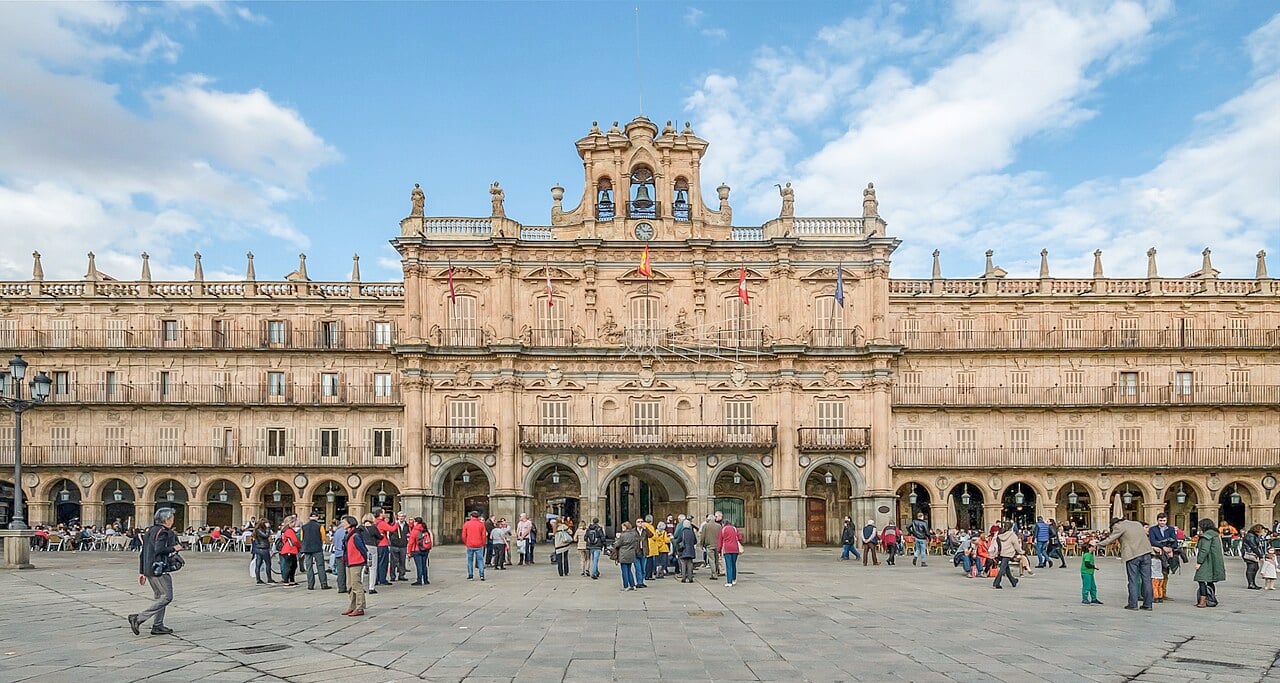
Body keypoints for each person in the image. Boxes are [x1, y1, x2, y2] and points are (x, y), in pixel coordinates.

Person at [128, 508, 182, 636]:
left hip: (149, 568)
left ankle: (158, 625)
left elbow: (144, 552)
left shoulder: (150, 530)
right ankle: (138, 618)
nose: (173, 520)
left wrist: (142, 571)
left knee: (159, 597)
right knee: (167, 597)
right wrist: (175, 547)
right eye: (172, 518)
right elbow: (159, 549)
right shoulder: (164, 532)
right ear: (167, 520)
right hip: (159, 569)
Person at [1095, 517, 1153, 610]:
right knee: (1147, 580)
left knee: (1133, 580)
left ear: (1115, 524)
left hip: (1133, 555)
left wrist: (1097, 544)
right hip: (1146, 553)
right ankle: (1148, 604)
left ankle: (1133, 604)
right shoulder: (1137, 523)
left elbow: (1111, 539)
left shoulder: (1119, 527)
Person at [1194, 517, 1225, 608]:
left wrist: (1199, 562)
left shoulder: (1206, 536)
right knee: (1210, 581)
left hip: (1207, 561)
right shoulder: (1215, 535)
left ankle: (1202, 601)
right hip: (1214, 561)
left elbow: (1204, 550)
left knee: (1201, 580)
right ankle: (1211, 599)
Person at [340, 516, 368, 617]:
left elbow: (363, 549)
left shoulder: (355, 535)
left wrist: (366, 560)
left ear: (350, 523)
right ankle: (352, 606)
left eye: (344, 522)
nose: (342, 524)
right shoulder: (348, 534)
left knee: (356, 584)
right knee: (350, 585)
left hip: (356, 561)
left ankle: (360, 607)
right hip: (349, 561)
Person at [299, 513, 331, 591]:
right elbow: (323, 537)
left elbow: (301, 538)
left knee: (309, 567)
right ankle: (323, 584)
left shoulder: (304, 526)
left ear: (309, 517)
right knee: (320, 566)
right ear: (317, 517)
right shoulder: (320, 526)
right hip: (317, 548)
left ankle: (310, 585)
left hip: (306, 549)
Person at [991, 522, 1021, 589]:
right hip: (1008, 553)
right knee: (1002, 568)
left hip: (1001, 552)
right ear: (1011, 527)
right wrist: (1021, 552)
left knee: (1006, 568)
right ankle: (996, 583)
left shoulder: (1000, 534)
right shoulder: (1012, 535)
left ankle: (1013, 581)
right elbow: (1016, 545)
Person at [461, 511, 487, 581]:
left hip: (470, 545)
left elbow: (463, 535)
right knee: (480, 560)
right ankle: (482, 575)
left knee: (470, 560)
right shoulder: (481, 524)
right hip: (479, 545)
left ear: (471, 516)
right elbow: (484, 536)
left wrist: (466, 542)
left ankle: (470, 575)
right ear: (478, 517)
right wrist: (483, 543)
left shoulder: (467, 524)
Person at [719, 517, 744, 587]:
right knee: (733, 564)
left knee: (728, 565)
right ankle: (734, 579)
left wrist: (719, 550)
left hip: (727, 549)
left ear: (723, 524)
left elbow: (720, 541)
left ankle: (729, 581)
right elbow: (740, 538)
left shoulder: (723, 530)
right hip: (735, 549)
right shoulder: (734, 529)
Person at [616, 521, 641, 591]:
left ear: (625, 527)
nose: (622, 528)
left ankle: (626, 586)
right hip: (631, 554)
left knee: (624, 571)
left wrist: (617, 538)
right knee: (629, 570)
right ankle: (633, 585)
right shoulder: (633, 534)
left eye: (623, 527)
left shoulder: (623, 535)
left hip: (624, 554)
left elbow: (617, 544)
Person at [1242, 524, 1267, 590]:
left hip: (1251, 553)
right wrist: (1260, 555)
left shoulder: (1253, 535)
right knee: (1251, 567)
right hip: (1249, 553)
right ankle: (1251, 584)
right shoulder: (1251, 536)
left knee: (1255, 567)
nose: (1262, 531)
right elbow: (1254, 546)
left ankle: (1253, 583)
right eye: (1262, 529)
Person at [278, 515, 300, 587]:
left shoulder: (285, 530)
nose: (295, 523)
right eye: (294, 522)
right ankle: (286, 581)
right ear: (290, 523)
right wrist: (300, 546)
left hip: (288, 550)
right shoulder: (289, 531)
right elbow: (295, 541)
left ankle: (291, 580)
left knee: (293, 565)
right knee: (290, 566)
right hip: (289, 550)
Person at [698, 514, 723, 578]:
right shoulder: (719, 526)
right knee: (716, 559)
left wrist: (701, 544)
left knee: (711, 559)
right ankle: (717, 571)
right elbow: (721, 536)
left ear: (708, 519)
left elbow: (702, 536)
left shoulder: (705, 526)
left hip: (709, 545)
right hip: (717, 545)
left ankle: (714, 573)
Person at [251, 519, 275, 585]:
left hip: (259, 548)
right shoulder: (259, 530)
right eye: (266, 523)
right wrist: (268, 528)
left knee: (259, 563)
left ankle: (259, 579)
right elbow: (265, 536)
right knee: (267, 563)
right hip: (263, 548)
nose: (268, 524)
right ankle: (268, 579)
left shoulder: (257, 530)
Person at [408, 517, 432, 585]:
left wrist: (409, 552)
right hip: (425, 550)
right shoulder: (425, 529)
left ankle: (419, 580)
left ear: (416, 522)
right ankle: (426, 580)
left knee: (419, 566)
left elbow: (410, 543)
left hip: (417, 550)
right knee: (424, 565)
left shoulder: (415, 530)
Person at [388, 512, 410, 582]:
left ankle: (401, 575)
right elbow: (390, 534)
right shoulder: (394, 524)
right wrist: (393, 540)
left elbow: (408, 534)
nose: (401, 518)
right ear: (397, 517)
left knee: (402, 561)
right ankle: (392, 576)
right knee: (393, 562)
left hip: (403, 546)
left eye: (403, 516)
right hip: (394, 545)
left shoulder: (406, 525)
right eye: (400, 516)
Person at [374, 511, 394, 585]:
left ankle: (376, 579)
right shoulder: (382, 523)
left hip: (376, 545)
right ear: (380, 514)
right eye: (383, 512)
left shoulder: (374, 522)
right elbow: (392, 529)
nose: (385, 514)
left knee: (377, 562)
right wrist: (397, 523)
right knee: (383, 563)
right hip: (383, 544)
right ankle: (382, 579)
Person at [329, 515, 348, 593]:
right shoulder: (345, 531)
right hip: (344, 553)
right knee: (347, 571)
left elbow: (334, 541)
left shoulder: (337, 531)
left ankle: (341, 587)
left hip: (338, 552)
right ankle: (347, 586)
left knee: (340, 571)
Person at [1079, 539, 1102, 605]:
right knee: (1087, 586)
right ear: (1090, 547)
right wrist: (1094, 566)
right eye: (1094, 547)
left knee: (1093, 586)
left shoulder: (1090, 554)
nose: (1095, 548)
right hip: (1086, 573)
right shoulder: (1087, 555)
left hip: (1090, 573)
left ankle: (1094, 598)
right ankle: (1085, 599)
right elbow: (1087, 564)